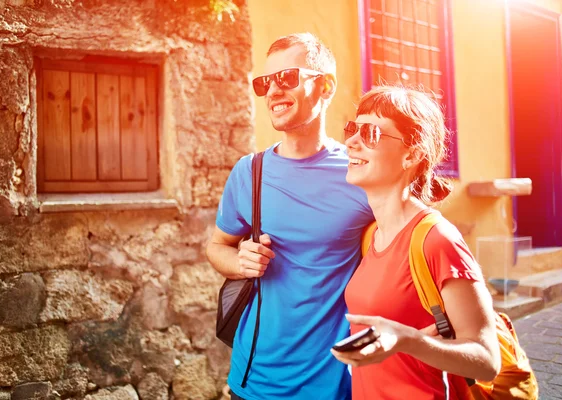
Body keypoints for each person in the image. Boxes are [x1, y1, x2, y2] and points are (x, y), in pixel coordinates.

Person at [206, 33, 374, 400]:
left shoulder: (359, 172)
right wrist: (240, 262)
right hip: (253, 383)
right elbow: (216, 247)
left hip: (334, 386)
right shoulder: (249, 172)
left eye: (288, 78)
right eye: (266, 82)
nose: (273, 91)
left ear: (326, 86)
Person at [332, 86, 501, 399]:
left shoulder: (437, 239)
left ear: (412, 153)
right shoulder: (370, 236)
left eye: (370, 132)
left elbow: (487, 361)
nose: (350, 142)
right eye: (353, 129)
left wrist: (408, 341)